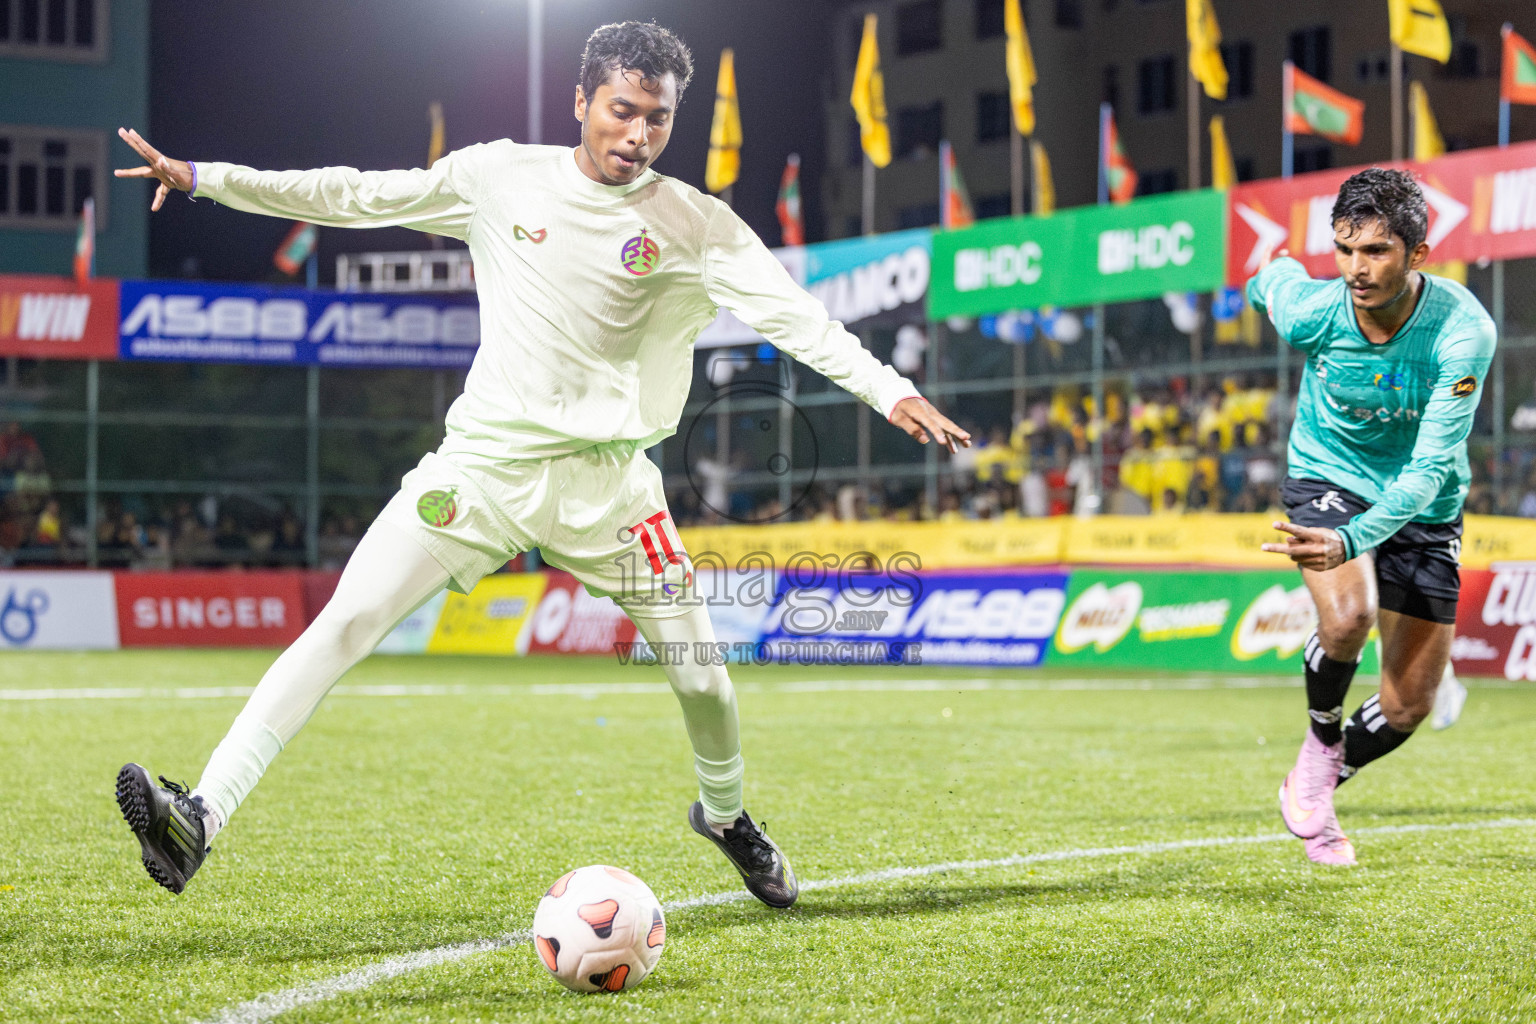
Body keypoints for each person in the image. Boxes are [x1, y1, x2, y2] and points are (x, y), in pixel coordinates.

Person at [111, 21, 968, 902]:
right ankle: (202, 817)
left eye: (659, 120)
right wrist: (205, 179)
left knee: (704, 679)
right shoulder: (498, 177)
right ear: (581, 102)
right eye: (623, 112)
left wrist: (888, 390)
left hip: (616, 495)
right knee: (346, 621)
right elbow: (355, 194)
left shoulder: (695, 224)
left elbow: (799, 318)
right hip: (482, 470)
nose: (638, 136)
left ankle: (726, 815)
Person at [1251, 168, 1495, 866]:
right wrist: (1268, 276)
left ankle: (1318, 774)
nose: (1357, 270)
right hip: (1328, 476)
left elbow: (1426, 471)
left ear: (1418, 253)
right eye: (1346, 249)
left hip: (1424, 504)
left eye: (1377, 252)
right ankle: (1322, 746)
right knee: (1348, 615)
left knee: (1409, 705)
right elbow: (1275, 279)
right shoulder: (1314, 312)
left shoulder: (1462, 331)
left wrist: (1353, 537)